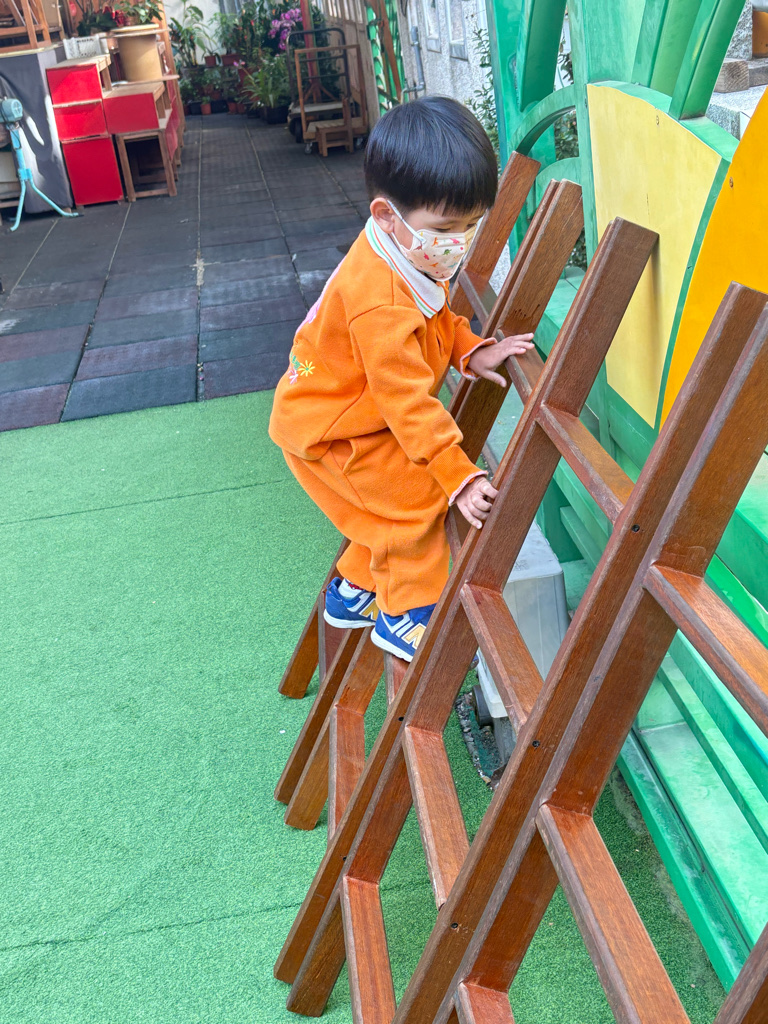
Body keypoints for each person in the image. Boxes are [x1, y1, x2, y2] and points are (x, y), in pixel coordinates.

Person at [269, 97, 534, 662]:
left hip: (337, 408)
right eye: (446, 228)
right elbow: (406, 403)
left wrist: (470, 351)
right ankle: (407, 615)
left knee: (385, 507)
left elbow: (434, 319)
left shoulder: (406, 251)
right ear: (386, 214)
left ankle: (355, 588)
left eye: (471, 225)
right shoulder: (381, 301)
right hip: (330, 432)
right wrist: (457, 477)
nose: (459, 241)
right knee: (415, 498)